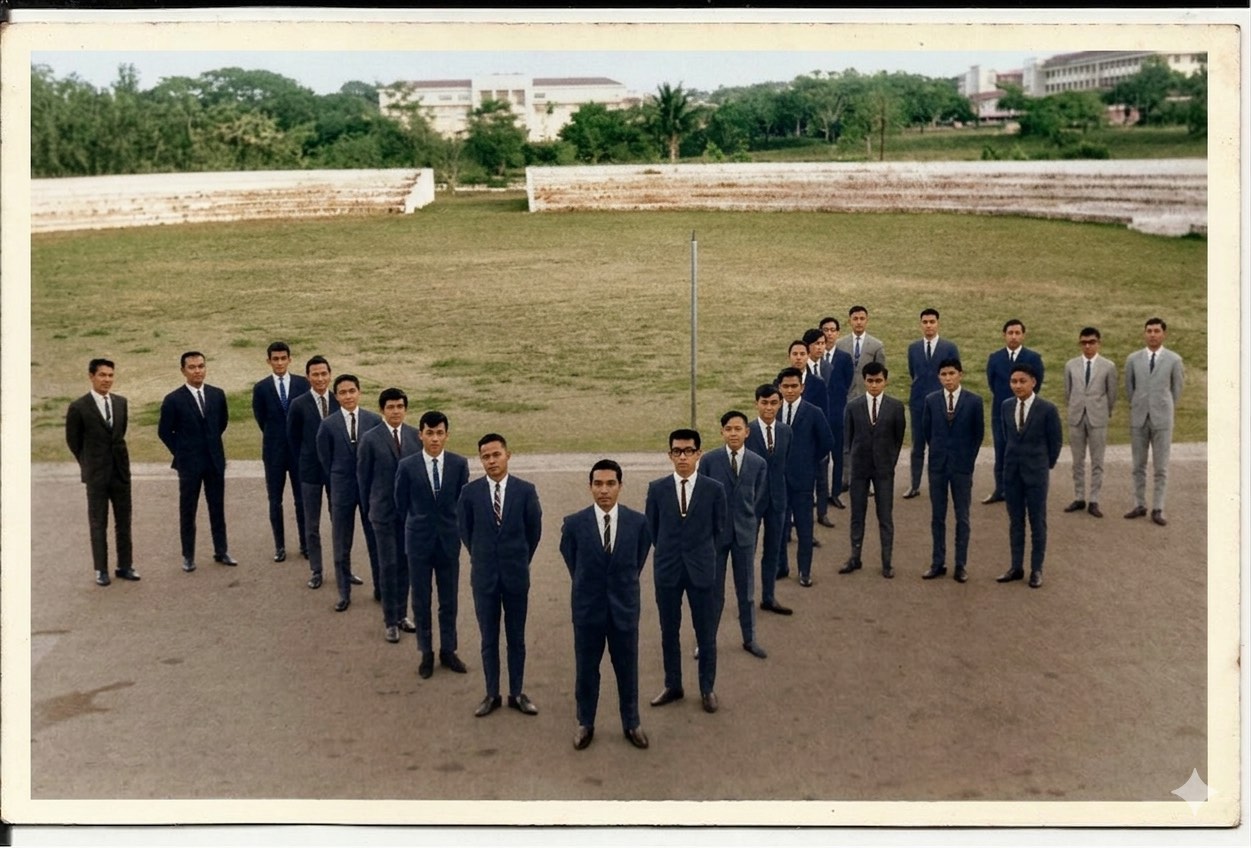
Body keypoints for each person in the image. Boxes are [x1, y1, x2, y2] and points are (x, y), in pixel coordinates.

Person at [560, 459, 654, 751]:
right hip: (588, 611)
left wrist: (618, 587)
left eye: (610, 483)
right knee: (587, 671)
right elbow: (572, 560)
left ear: (621, 486)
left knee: (627, 670)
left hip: (624, 610)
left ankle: (631, 722)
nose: (604, 490)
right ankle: (585, 722)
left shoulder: (638, 523)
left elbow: (637, 560)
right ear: (590, 487)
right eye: (598, 484)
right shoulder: (574, 524)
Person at [458, 433, 543, 718]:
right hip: (484, 579)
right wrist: (484, 558)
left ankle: (517, 693)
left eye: (496, 454)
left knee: (516, 638)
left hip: (516, 576)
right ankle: (492, 693)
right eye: (486, 456)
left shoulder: (525, 491)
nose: (492, 461)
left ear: (508, 455)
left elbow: (534, 532)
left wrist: (518, 559)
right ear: (480, 460)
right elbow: (466, 533)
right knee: (488, 638)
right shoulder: (469, 493)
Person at [646, 429, 727, 714]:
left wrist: (699, 555)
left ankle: (707, 688)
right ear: (670, 455)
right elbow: (653, 531)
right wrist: (671, 554)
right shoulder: (656, 489)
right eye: (677, 451)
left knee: (705, 634)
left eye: (688, 451)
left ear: (698, 454)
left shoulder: (714, 489)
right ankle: (673, 685)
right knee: (669, 631)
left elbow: (718, 530)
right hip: (668, 571)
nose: (683, 456)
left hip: (702, 571)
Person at [394, 410, 470, 679]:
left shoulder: (459, 465)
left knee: (448, 600)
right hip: (418, 542)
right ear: (421, 435)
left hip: (449, 542)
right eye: (429, 433)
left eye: (439, 433)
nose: (434, 439)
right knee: (422, 600)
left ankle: (448, 650)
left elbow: (462, 504)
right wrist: (417, 526)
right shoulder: (407, 466)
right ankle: (426, 652)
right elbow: (400, 504)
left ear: (446, 435)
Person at [698, 411, 769, 659]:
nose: (733, 433)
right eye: (728, 429)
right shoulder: (709, 461)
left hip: (744, 535)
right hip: (716, 536)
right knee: (713, 591)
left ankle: (749, 639)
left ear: (747, 432)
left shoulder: (758, 463)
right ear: (722, 432)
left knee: (746, 590)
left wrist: (747, 521)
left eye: (738, 429)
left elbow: (759, 499)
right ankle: (706, 641)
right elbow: (703, 497)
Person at [158, 351, 234, 572]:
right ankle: (188, 556)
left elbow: (222, 422)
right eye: (192, 367)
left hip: (214, 461)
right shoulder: (173, 399)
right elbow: (164, 431)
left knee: (217, 508)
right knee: (188, 510)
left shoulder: (217, 394)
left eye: (201, 366)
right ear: (183, 371)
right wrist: (182, 452)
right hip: (189, 464)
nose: (197, 370)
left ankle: (221, 551)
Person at [356, 388, 421, 643]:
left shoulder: (415, 435)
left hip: (408, 514)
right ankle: (389, 621)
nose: (396, 411)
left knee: (405, 564)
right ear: (382, 409)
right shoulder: (370, 439)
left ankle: (402, 615)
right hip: (382, 513)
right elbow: (363, 478)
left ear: (405, 409)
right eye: (391, 407)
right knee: (388, 564)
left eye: (400, 406)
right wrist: (369, 507)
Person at [65, 357, 137, 586]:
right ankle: (101, 570)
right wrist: (89, 464)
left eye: (110, 375)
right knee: (98, 523)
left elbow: (119, 434)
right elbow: (73, 442)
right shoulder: (79, 407)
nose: (107, 380)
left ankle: (125, 566)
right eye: (102, 375)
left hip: (120, 473)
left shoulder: (121, 403)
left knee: (124, 521)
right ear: (91, 376)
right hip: (96, 475)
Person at [316, 374, 382, 611]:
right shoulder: (328, 424)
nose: (348, 396)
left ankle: (380, 588)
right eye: (343, 393)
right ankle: (344, 592)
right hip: (341, 489)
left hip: (369, 491)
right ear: (336, 396)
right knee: (341, 542)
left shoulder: (374, 421)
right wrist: (337, 478)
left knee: (376, 540)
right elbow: (324, 457)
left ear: (359, 392)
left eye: (352, 391)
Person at [996, 363, 1062, 589]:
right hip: (1012, 473)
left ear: (1033, 382)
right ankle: (1016, 567)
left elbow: (1055, 444)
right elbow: (1007, 437)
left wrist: (1043, 465)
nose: (1017, 386)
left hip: (1036, 475)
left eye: (1022, 381)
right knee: (1015, 522)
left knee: (1037, 522)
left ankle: (1036, 569)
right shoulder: (1005, 406)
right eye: (1013, 381)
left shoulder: (1047, 409)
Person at [920, 358, 984, 583]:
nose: (948, 378)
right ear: (939, 377)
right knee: (937, 516)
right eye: (944, 375)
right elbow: (927, 431)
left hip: (961, 467)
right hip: (938, 466)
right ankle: (938, 562)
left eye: (951, 374)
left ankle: (960, 564)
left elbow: (978, 435)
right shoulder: (931, 400)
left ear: (960, 375)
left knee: (962, 516)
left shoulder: (974, 402)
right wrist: (939, 453)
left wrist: (966, 459)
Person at [839, 361, 905, 579]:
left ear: (885, 381)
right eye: (870, 381)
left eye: (878, 381)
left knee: (885, 516)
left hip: (884, 470)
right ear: (864, 381)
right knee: (857, 515)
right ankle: (854, 557)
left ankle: (887, 562)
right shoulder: (853, 406)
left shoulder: (895, 407)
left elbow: (898, 438)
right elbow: (848, 439)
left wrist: (890, 462)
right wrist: (853, 463)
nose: (874, 385)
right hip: (859, 469)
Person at [251, 341, 310, 562]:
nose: (279, 362)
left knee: (301, 500)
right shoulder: (261, 388)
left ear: (289, 359)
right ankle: (280, 546)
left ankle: (305, 544)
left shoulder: (302, 384)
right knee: (275, 500)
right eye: (275, 359)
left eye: (283, 358)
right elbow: (261, 418)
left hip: (298, 452)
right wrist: (276, 438)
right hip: (274, 452)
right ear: (269, 361)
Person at [1124, 317, 1184, 526]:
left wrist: (1162, 406)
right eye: (1149, 330)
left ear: (1163, 334)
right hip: (1139, 418)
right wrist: (1140, 404)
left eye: (1156, 331)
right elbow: (1129, 388)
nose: (1152, 334)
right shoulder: (1133, 359)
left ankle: (1158, 508)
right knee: (1138, 465)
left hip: (1162, 419)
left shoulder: (1174, 360)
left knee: (1161, 467)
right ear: (1144, 333)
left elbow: (1176, 390)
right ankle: (1139, 504)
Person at [776, 367, 833, 587]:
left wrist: (809, 461)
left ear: (802, 387)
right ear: (779, 388)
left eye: (794, 386)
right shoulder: (775, 412)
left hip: (803, 481)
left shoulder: (813, 412)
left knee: (804, 527)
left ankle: (804, 571)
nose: (790, 391)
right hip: (779, 482)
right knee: (779, 528)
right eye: (786, 387)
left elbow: (827, 442)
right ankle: (781, 567)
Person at [286, 355, 338, 590]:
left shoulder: (339, 401)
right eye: (315, 374)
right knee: (312, 524)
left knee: (339, 522)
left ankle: (343, 568)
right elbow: (293, 439)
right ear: (308, 377)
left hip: (336, 472)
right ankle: (317, 570)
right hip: (309, 472)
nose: (320, 378)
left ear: (330, 375)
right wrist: (305, 461)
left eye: (323, 373)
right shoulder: (298, 404)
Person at [745, 384, 794, 616]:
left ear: (780, 403)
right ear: (757, 404)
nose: (769, 408)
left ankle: (768, 596)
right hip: (752, 502)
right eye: (764, 403)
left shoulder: (785, 431)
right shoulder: (747, 432)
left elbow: (787, 465)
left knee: (773, 550)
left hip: (778, 500)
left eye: (773, 403)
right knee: (747, 550)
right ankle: (746, 598)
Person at [984, 319, 1044, 505]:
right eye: (1010, 333)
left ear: (1023, 335)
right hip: (1001, 412)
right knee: (1001, 452)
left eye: (1017, 333)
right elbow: (992, 383)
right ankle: (1000, 490)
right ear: (1004, 335)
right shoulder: (995, 358)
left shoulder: (1033, 358)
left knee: (1024, 453)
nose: (1014, 336)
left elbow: (1037, 383)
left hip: (1026, 413)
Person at [1063, 327, 1118, 518]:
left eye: (1091, 342)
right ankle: (1079, 497)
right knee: (1077, 461)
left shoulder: (1108, 366)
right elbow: (1067, 392)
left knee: (1097, 461)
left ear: (1098, 343)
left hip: (1098, 417)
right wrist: (1073, 409)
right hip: (1076, 416)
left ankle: (1094, 499)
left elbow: (1111, 394)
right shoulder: (1071, 365)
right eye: (1084, 343)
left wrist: (1104, 412)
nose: (1087, 346)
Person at [904, 308, 960, 499]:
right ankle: (914, 485)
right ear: (921, 324)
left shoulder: (949, 347)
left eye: (932, 322)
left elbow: (954, 374)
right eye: (925, 322)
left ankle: (942, 484)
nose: (928, 325)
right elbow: (914, 372)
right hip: (919, 403)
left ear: (938, 323)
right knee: (917, 445)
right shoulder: (913, 348)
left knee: (941, 446)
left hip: (941, 403)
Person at [834, 305, 886, 491]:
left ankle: (869, 481)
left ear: (867, 320)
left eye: (862, 318)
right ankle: (845, 478)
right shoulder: (840, 344)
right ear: (850, 321)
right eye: (855, 318)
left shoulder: (876, 345)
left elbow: (881, 375)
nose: (858, 322)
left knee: (868, 440)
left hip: (867, 399)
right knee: (846, 439)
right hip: (846, 399)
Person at [801, 328, 836, 528]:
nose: (821, 347)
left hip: (819, 433)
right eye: (817, 344)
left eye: (823, 343)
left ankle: (822, 513)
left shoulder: (827, 369)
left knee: (822, 477)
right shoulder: (794, 377)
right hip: (801, 436)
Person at [818, 316, 854, 510]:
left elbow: (847, 383)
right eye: (825, 330)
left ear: (838, 333)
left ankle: (835, 493)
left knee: (838, 455)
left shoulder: (844, 358)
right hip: (820, 416)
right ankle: (820, 494)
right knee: (820, 459)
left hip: (838, 415)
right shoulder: (813, 359)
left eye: (832, 330)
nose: (829, 333)